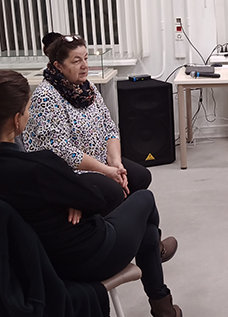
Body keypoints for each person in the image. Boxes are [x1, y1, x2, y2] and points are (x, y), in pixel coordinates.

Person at [0, 70, 183, 317]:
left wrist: (69, 197)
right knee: (144, 199)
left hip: (27, 263)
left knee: (143, 234)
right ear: (16, 120)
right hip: (80, 259)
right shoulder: (39, 167)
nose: (29, 114)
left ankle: (164, 308)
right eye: (27, 109)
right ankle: (161, 294)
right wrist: (73, 198)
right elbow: (96, 200)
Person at [23, 32, 153, 217]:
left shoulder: (87, 88)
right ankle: (111, 228)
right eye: (76, 61)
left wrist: (116, 163)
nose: (85, 66)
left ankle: (129, 227)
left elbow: (109, 127)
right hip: (68, 171)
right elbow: (61, 151)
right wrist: (106, 171)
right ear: (58, 66)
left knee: (140, 177)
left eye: (85, 58)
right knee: (113, 191)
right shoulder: (46, 96)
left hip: (98, 159)